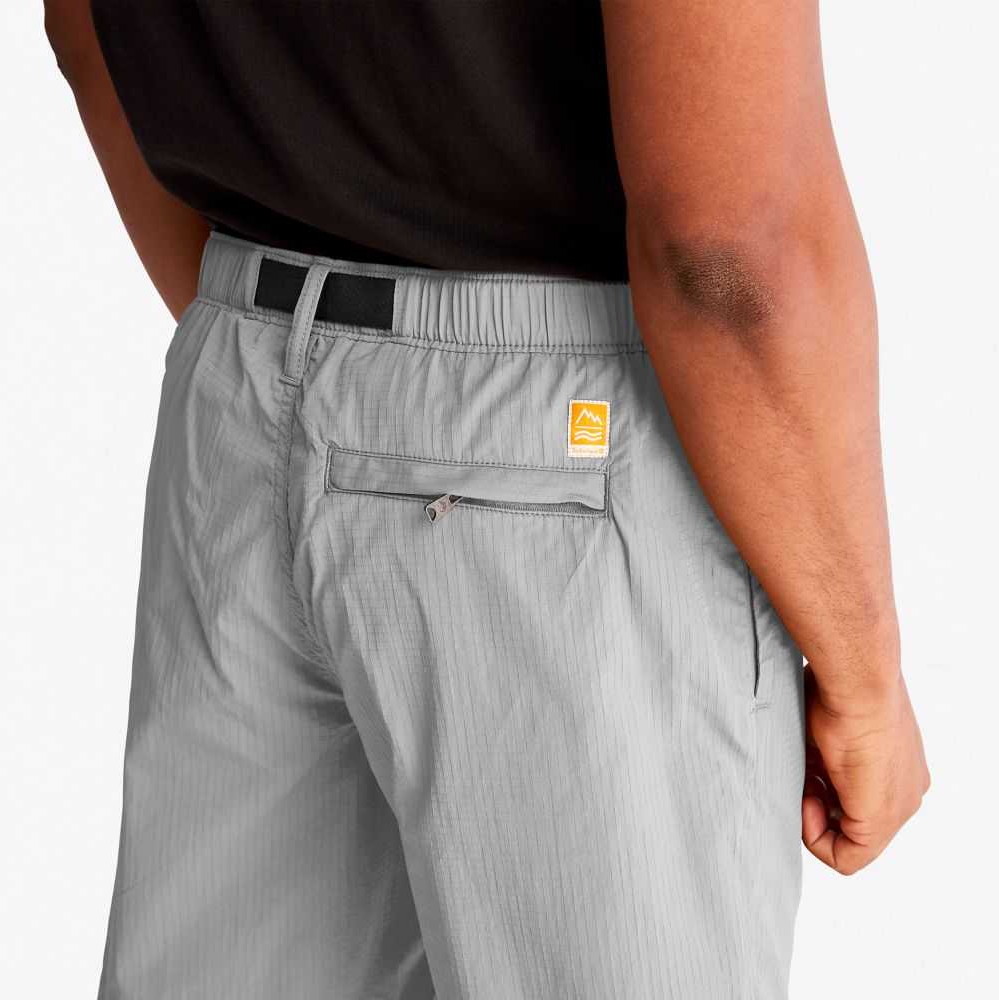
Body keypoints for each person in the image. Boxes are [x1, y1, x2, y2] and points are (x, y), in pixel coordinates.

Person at [46, 2, 930, 998]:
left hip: (239, 393)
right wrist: (863, 683)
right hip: (552, 447)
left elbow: (82, 33)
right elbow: (726, 245)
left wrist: (309, 378)